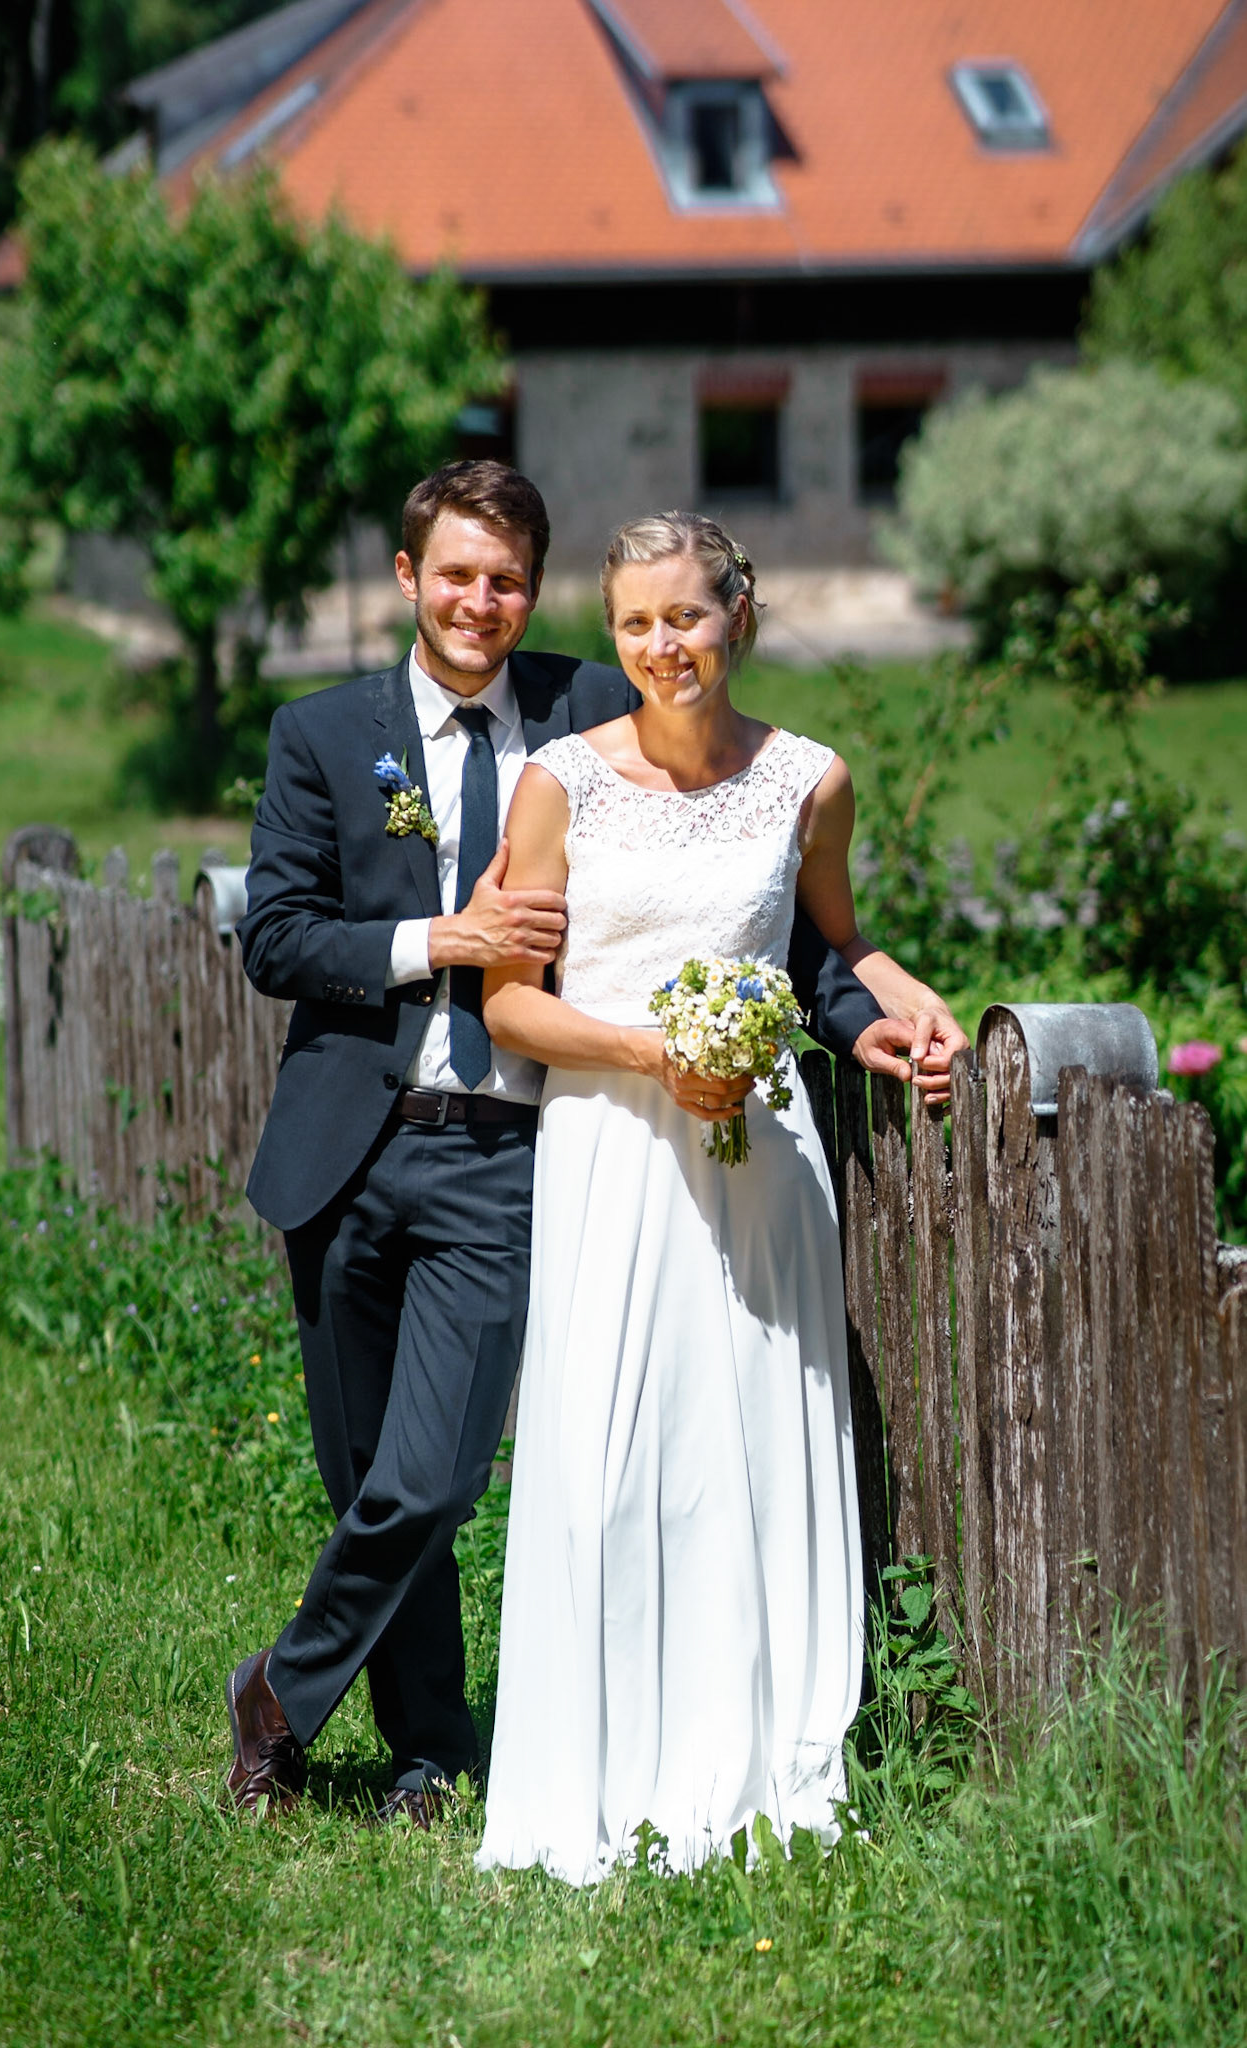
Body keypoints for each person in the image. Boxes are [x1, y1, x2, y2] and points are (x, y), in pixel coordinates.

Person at [223, 462, 957, 1822]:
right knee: (370, 1477)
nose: (479, 602)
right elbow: (274, 936)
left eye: (506, 580)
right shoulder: (321, 733)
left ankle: (287, 1695)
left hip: (513, 1144)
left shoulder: (591, 707)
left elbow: (774, 912)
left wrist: (873, 1010)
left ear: (538, 592)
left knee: (439, 1474)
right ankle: (425, 1752)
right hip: (350, 1143)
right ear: (408, 578)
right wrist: (439, 939)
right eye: (456, 574)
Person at [475, 511, 966, 1884]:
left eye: (683, 616)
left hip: (761, 1158)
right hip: (610, 1151)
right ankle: (604, 1764)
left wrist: (916, 1011)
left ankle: (760, 1750)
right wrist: (652, 1055)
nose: (660, 647)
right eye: (634, 623)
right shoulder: (561, 784)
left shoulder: (811, 780)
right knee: (609, 1462)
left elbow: (838, 943)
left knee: (747, 1446)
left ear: (736, 614)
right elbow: (511, 1005)